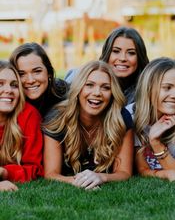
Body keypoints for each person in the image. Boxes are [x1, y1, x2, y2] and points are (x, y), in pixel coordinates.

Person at [43, 60, 133, 190]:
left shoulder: (120, 117)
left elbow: (124, 172)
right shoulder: (58, 117)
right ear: (79, 88)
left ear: (112, 93)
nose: (97, 93)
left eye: (105, 87)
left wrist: (101, 177)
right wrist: (81, 181)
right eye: (89, 85)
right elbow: (51, 174)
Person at [134, 57, 175, 182]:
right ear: (148, 88)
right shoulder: (133, 115)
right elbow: (142, 169)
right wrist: (167, 174)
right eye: (167, 87)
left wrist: (156, 143)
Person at [65, 26, 149, 105]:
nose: (123, 58)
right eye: (116, 51)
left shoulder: (148, 90)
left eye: (131, 53)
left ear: (140, 57)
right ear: (107, 53)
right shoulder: (79, 77)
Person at [0, 61, 43, 190]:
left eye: (14, 85)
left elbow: (35, 168)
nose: (8, 90)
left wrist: (5, 172)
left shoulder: (28, 115)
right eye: (0, 84)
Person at [10, 42, 68, 116]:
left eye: (37, 71)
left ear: (49, 73)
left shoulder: (67, 96)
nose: (30, 80)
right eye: (21, 74)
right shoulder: (8, 102)